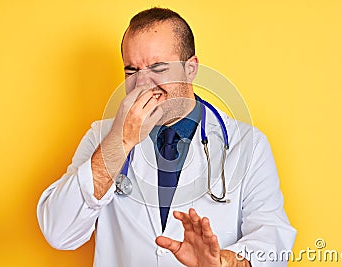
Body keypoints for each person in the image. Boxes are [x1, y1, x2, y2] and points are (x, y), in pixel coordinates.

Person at [37, 7, 296, 267]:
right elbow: (59, 233)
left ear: (190, 69)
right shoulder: (102, 138)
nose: (142, 84)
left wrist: (223, 262)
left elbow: (273, 242)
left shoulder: (248, 145)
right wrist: (121, 142)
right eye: (131, 71)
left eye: (158, 68)